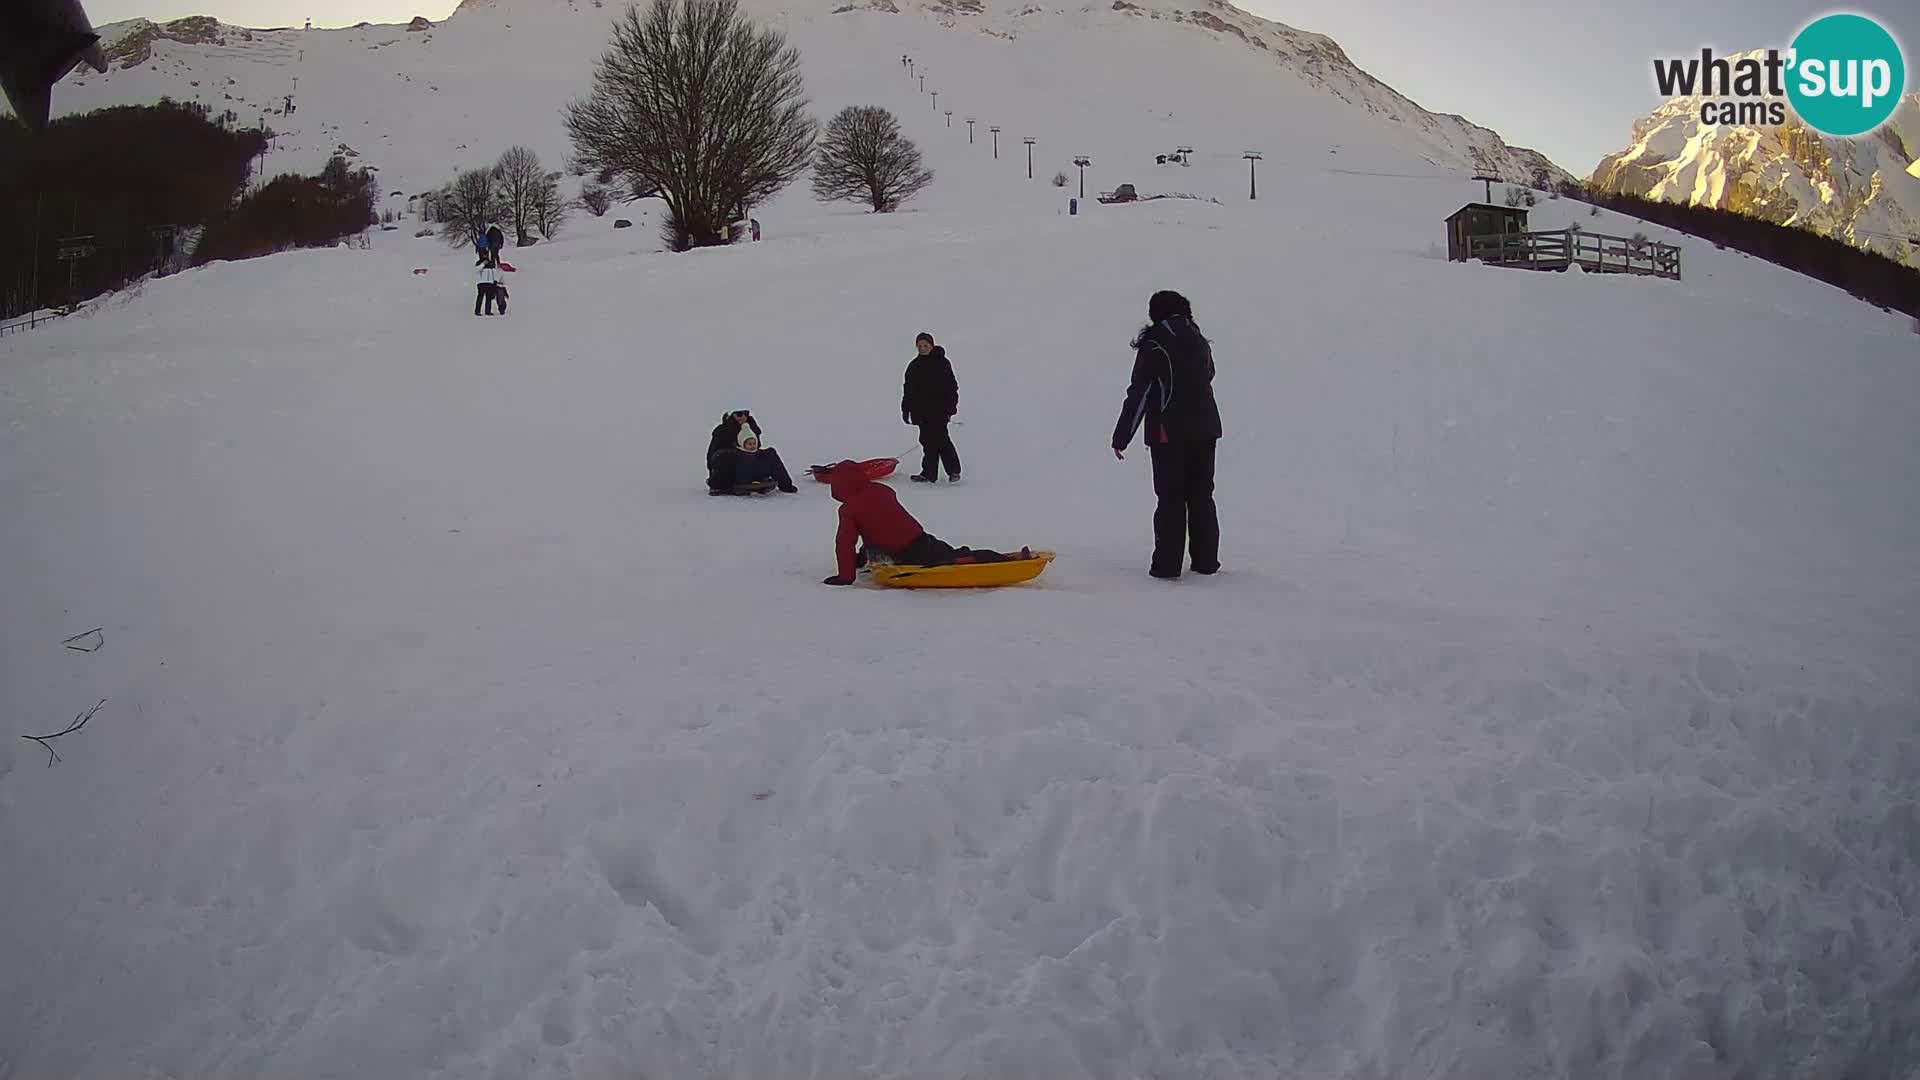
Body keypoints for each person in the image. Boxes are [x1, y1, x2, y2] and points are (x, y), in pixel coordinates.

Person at [1111, 289, 1221, 578]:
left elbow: (1141, 392)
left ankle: (1167, 566)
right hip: (1207, 427)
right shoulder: (1198, 338)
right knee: (1201, 495)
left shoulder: (1155, 342)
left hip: (1168, 433)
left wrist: (1122, 436)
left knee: (1171, 498)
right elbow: (1210, 374)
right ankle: (1206, 562)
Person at [822, 462, 1024, 585]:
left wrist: (846, 576)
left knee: (955, 561)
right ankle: (1002, 558)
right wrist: (860, 559)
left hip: (908, 552)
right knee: (954, 553)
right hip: (920, 538)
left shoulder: (848, 510)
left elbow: (845, 544)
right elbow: (877, 528)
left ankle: (1007, 563)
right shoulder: (881, 490)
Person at [902, 331, 960, 483]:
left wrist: (951, 407)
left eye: (926, 345)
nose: (923, 348)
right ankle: (928, 473)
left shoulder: (942, 363)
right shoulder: (914, 366)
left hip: (939, 410)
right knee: (927, 441)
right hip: (921, 411)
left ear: (932, 345)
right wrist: (905, 409)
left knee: (941, 439)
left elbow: (952, 387)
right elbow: (908, 390)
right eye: (920, 346)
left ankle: (954, 471)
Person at [706, 410, 796, 494]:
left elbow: (757, 446)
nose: (743, 416)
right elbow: (713, 456)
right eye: (739, 414)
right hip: (732, 472)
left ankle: (784, 485)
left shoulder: (751, 426)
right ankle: (728, 485)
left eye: (746, 413)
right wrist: (715, 482)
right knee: (727, 454)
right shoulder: (722, 431)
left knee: (770, 452)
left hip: (751, 467)